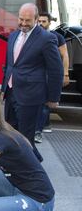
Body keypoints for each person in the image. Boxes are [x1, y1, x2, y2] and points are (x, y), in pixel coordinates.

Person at [1, 3, 63, 162]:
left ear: (36, 19)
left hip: (31, 95)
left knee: (25, 136)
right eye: (21, 19)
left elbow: (55, 69)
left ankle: (29, 166)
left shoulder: (47, 38)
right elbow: (10, 64)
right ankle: (23, 161)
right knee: (10, 131)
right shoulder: (14, 35)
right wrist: (3, 88)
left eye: (27, 20)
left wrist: (54, 97)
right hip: (11, 92)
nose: (23, 23)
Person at [34, 12, 70, 143]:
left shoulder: (57, 37)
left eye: (44, 22)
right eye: (39, 21)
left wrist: (65, 73)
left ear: (49, 23)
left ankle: (38, 131)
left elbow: (64, 55)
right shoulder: (32, 36)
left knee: (45, 104)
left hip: (49, 76)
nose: (41, 24)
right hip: (35, 76)